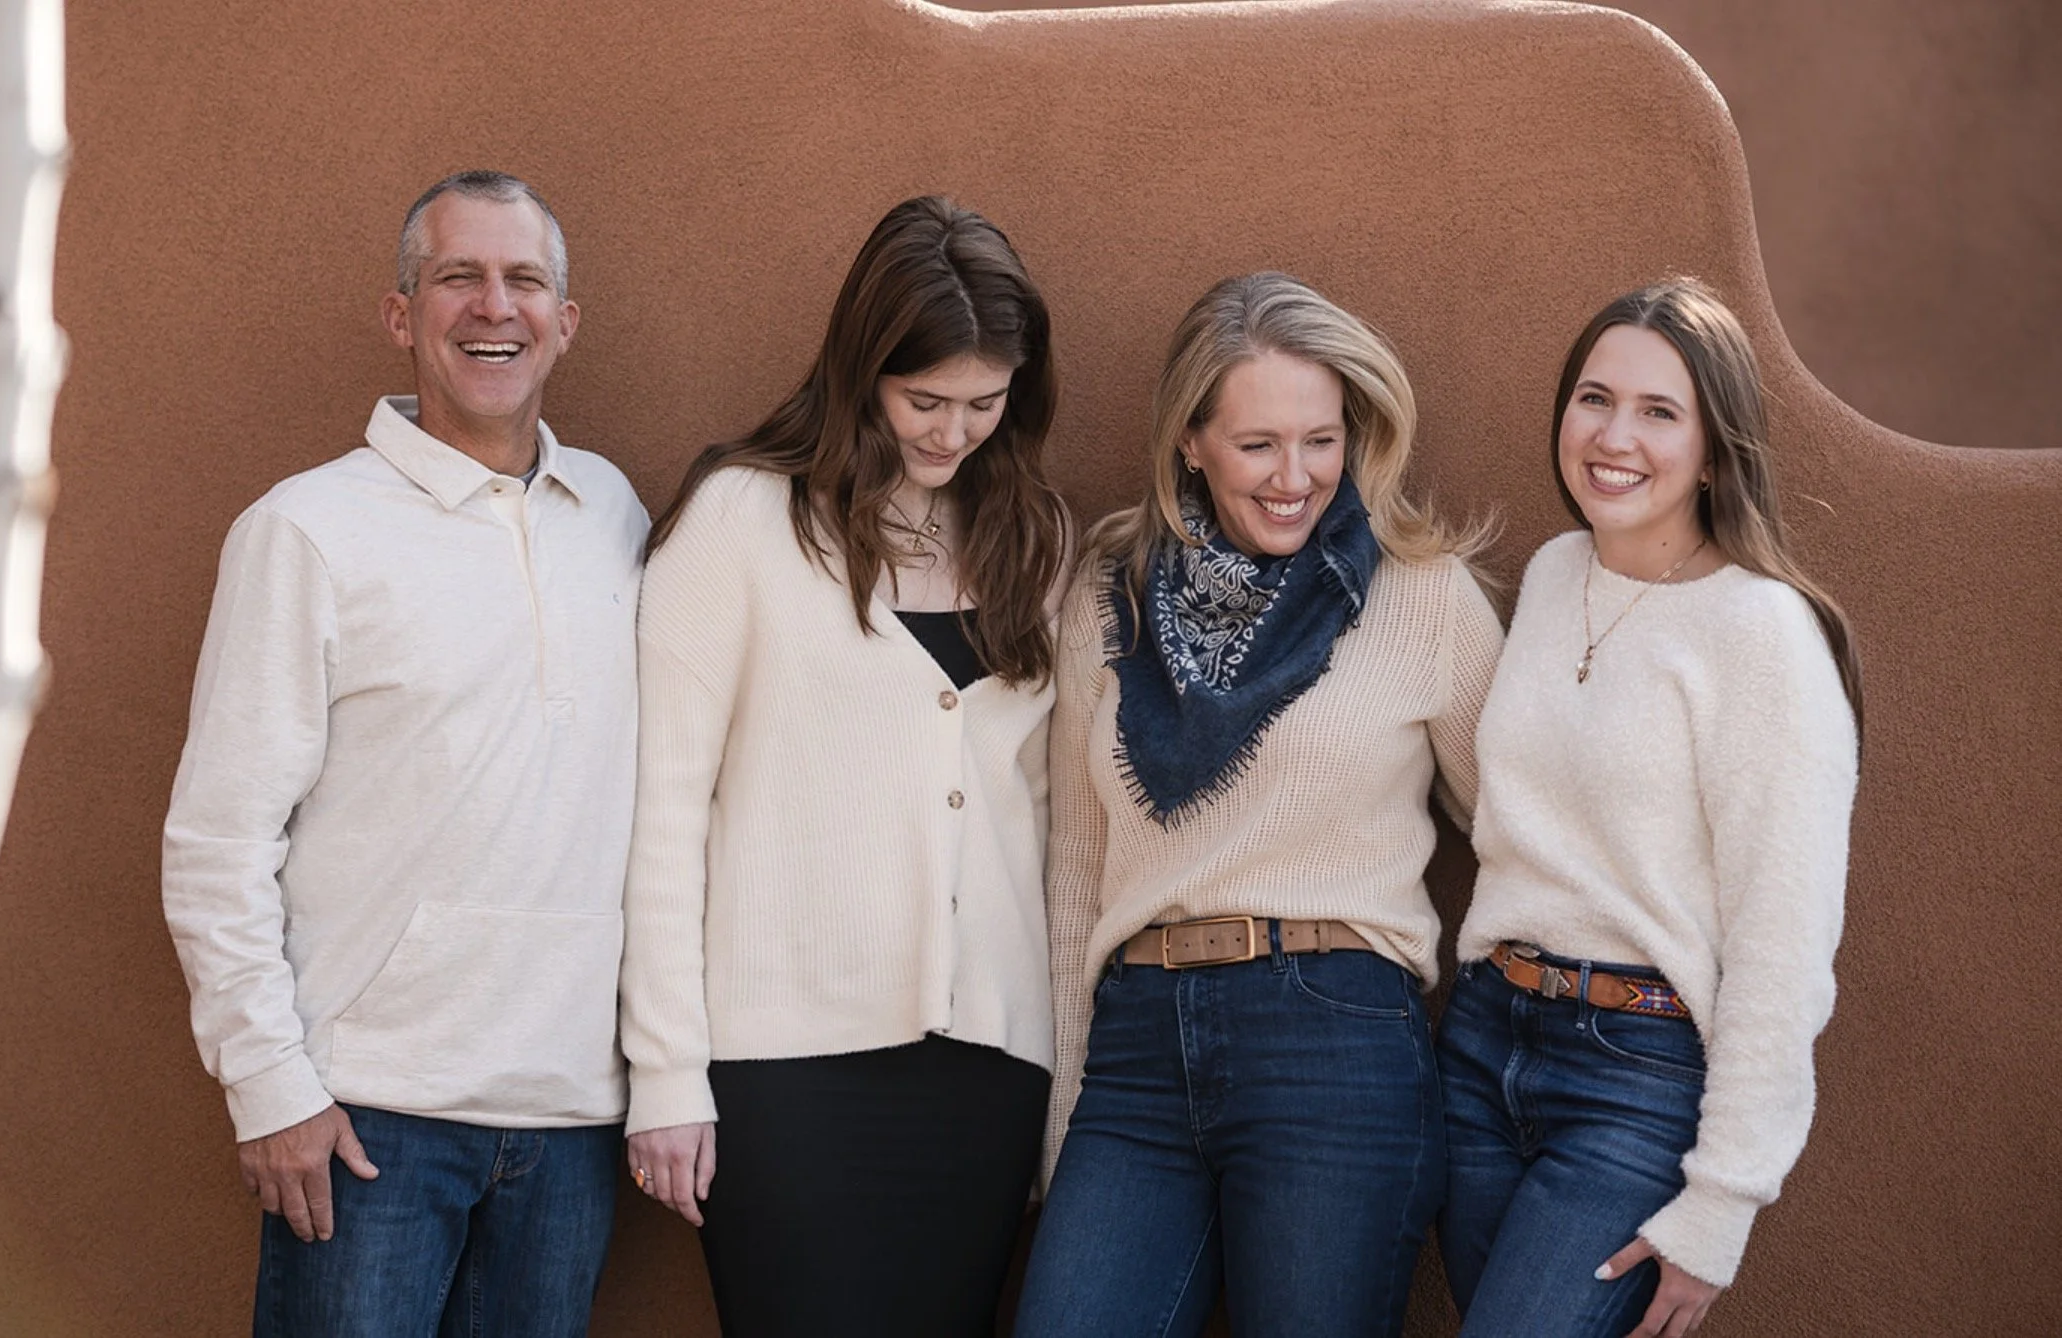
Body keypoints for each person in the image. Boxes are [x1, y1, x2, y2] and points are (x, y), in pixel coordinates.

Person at [160, 170, 650, 1337]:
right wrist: (269, 1087)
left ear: (564, 321)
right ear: (401, 314)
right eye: (457, 278)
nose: (495, 307)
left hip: (573, 1118)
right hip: (366, 1123)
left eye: (524, 280)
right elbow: (217, 840)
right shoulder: (305, 531)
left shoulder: (615, 515)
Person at [1015, 272, 1502, 1338]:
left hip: (1333, 1039)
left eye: (1320, 440)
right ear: (1189, 440)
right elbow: (1072, 881)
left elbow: (1522, 843)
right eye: (1257, 446)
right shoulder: (1108, 594)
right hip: (1136, 1056)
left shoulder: (1421, 595)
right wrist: (1062, 1130)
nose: (1296, 478)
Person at [616, 195, 1070, 1337]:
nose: (950, 431)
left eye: (983, 402)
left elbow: (1056, 824)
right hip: (781, 1073)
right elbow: (663, 809)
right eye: (924, 399)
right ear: (862, 366)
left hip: (987, 1072)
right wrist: (665, 1075)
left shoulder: (1036, 538)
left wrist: (1058, 1078)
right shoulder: (741, 519)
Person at [1439, 279, 1862, 1338]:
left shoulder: (1762, 633)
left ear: (1717, 449)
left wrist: (1723, 1201)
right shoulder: (1547, 574)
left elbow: (1783, 938)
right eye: (1593, 398)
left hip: (1633, 1080)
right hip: (1483, 1046)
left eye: (1659, 413)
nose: (1613, 435)